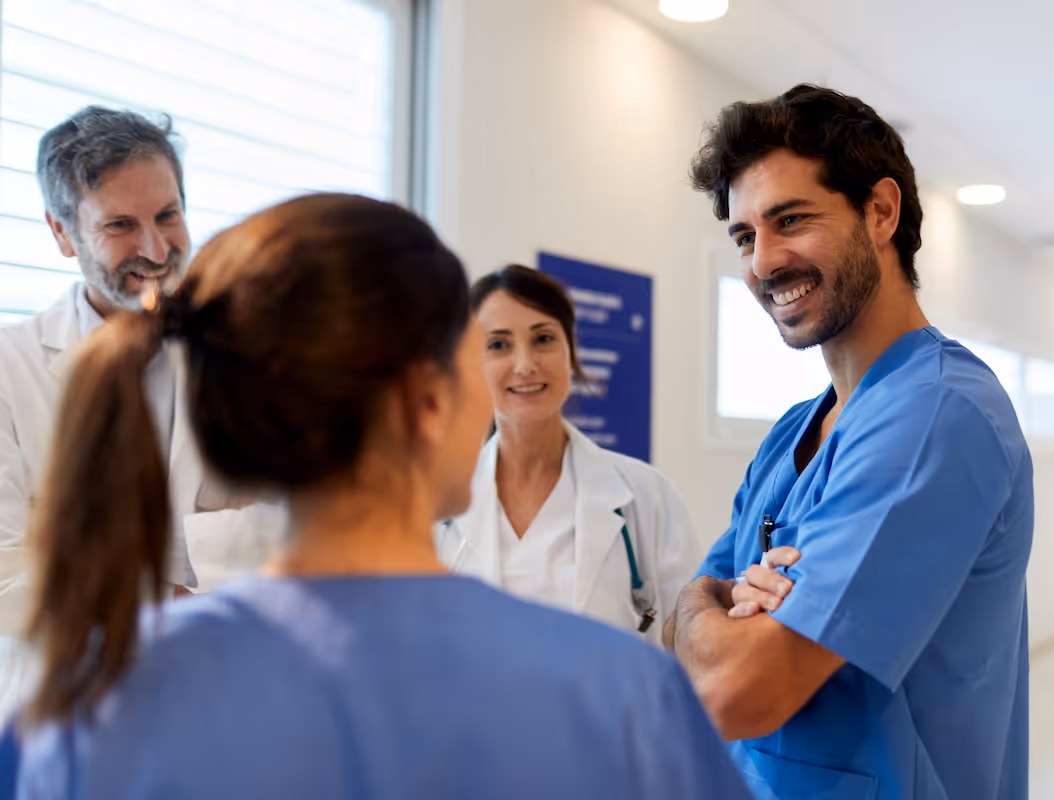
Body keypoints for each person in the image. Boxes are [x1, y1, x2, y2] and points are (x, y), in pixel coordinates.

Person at [10, 194, 752, 800]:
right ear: (429, 403)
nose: (515, 371)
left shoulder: (81, 707)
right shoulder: (623, 699)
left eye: (542, 340)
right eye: (481, 354)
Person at [665, 85, 1034, 799]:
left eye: (791, 220)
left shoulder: (936, 415)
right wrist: (702, 608)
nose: (764, 262)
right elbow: (686, 634)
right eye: (745, 237)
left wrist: (708, 613)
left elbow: (736, 690)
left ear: (881, 212)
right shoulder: (793, 434)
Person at [0, 107, 283, 717]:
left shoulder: (249, 354)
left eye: (168, 215)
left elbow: (290, 529)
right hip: (67, 709)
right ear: (61, 232)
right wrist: (185, 577)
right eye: (121, 225)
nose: (155, 249)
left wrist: (108, 565)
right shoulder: (8, 367)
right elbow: (4, 577)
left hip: (214, 701)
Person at [437, 265, 699, 645]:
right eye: (498, 344)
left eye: (543, 338)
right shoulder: (438, 506)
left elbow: (689, 647)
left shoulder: (646, 496)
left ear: (570, 350)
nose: (525, 364)